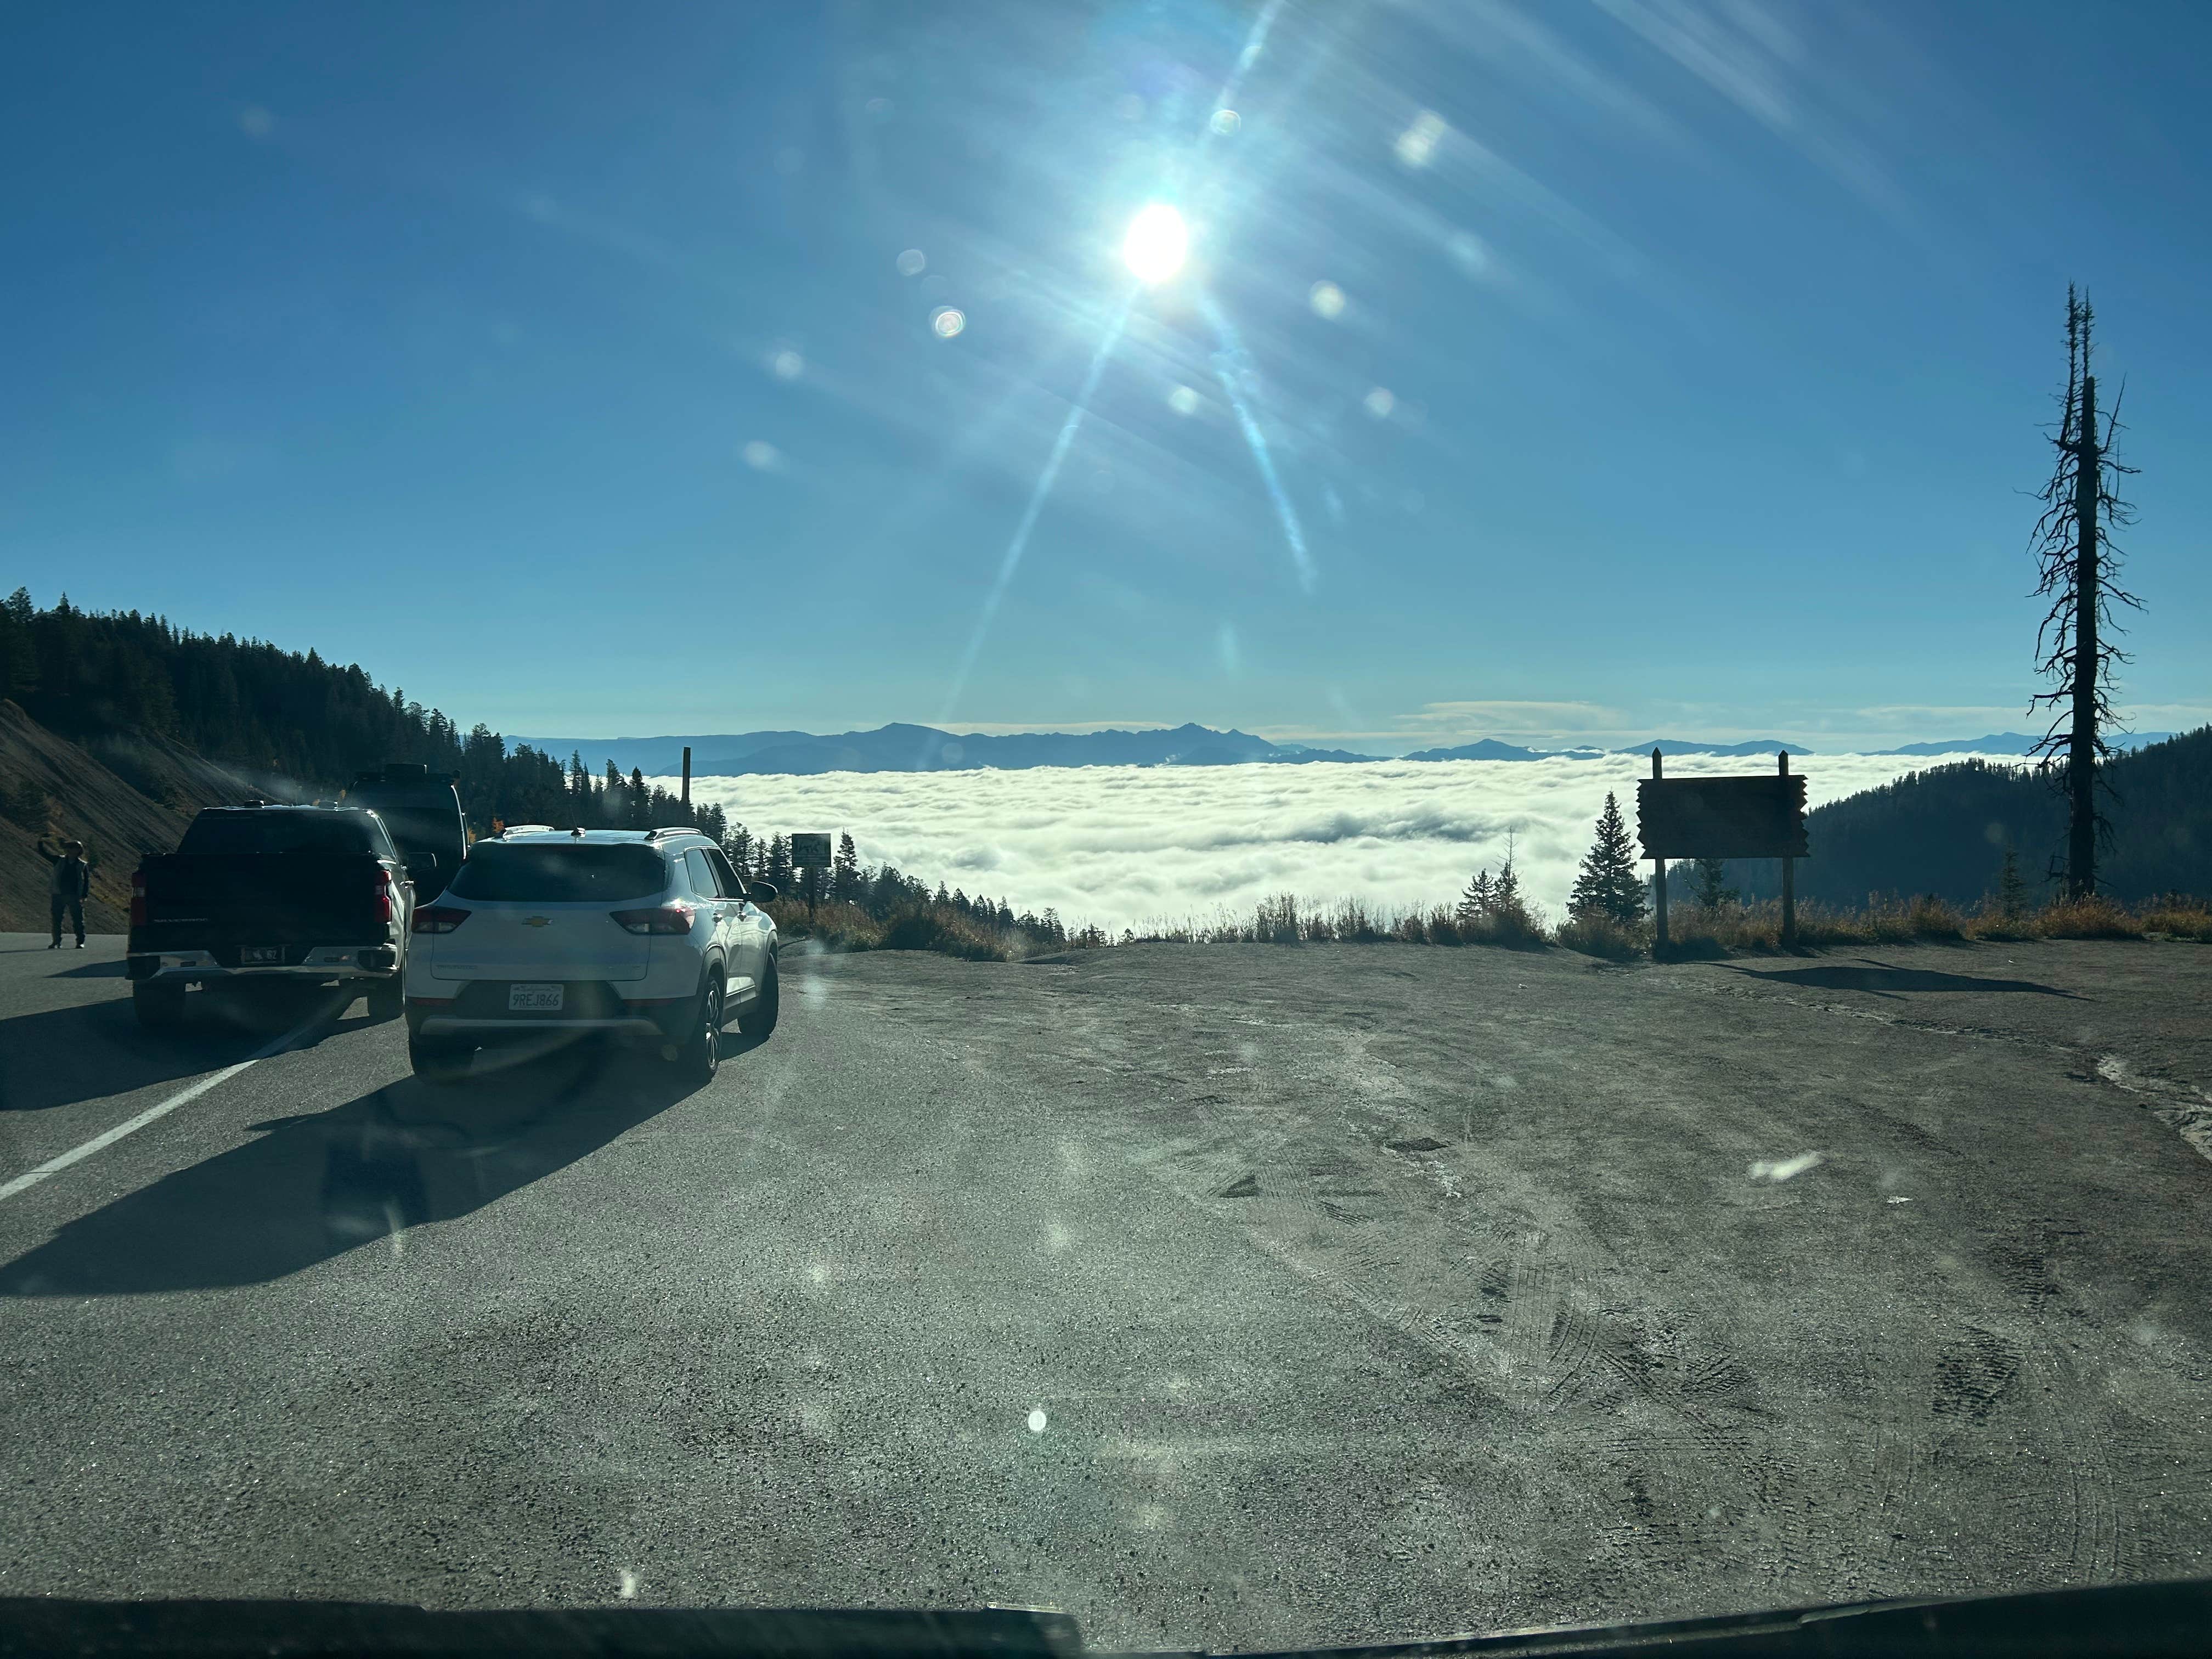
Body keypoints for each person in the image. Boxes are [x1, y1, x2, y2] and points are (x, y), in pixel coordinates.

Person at [37, 835, 91, 949]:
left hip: (75, 896)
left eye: (74, 848)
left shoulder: (83, 865)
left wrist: (84, 895)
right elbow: (44, 854)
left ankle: (80, 942)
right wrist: (41, 842)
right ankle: (56, 941)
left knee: (78, 920)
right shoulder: (59, 860)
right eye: (70, 848)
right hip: (58, 894)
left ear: (79, 851)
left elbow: (87, 881)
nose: (72, 850)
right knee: (57, 919)